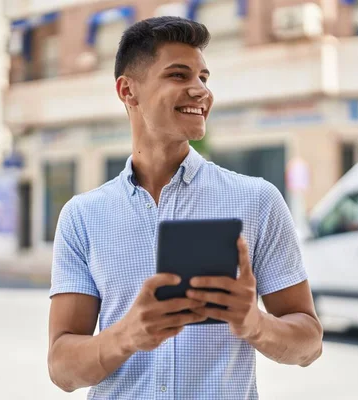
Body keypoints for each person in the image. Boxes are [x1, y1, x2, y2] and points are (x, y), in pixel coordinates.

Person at [47, 16, 323, 399]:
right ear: (128, 91)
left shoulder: (257, 200)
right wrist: (127, 335)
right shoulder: (83, 217)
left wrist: (254, 323)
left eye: (204, 78)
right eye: (179, 75)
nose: (200, 91)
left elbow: (309, 344)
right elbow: (62, 369)